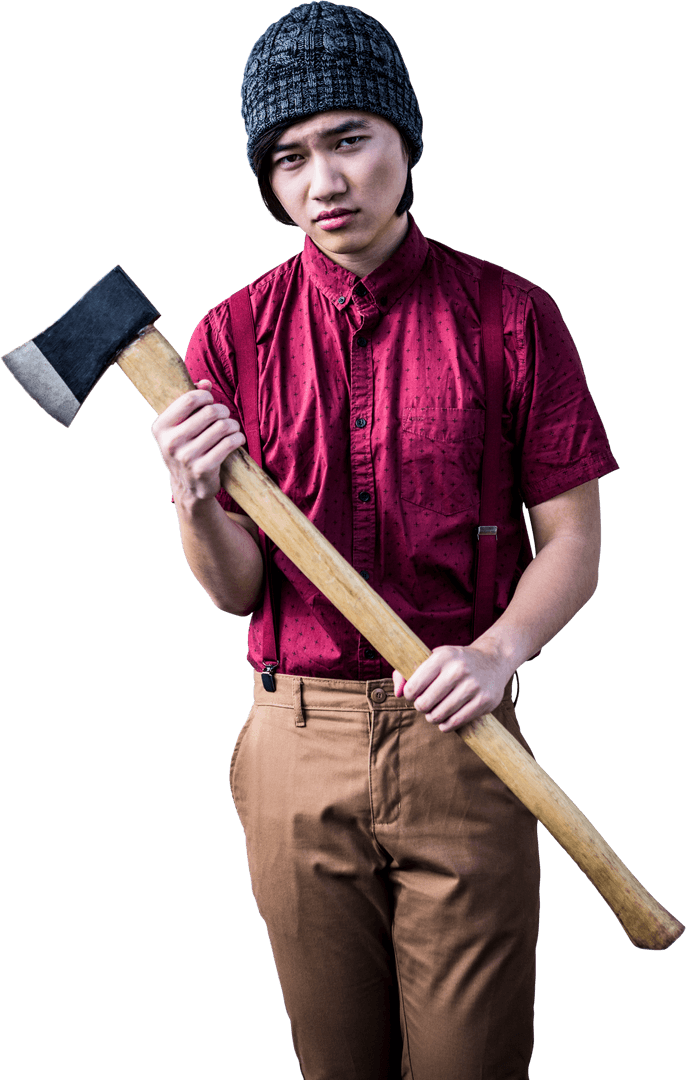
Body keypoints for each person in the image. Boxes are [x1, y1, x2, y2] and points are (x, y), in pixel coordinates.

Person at [151, 4, 618, 1077]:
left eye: (349, 138)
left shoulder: (512, 317)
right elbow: (236, 591)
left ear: (406, 140)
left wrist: (498, 653)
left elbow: (575, 543)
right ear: (265, 182)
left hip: (465, 743)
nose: (323, 183)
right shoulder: (228, 337)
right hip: (290, 750)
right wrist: (189, 497)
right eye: (287, 157)